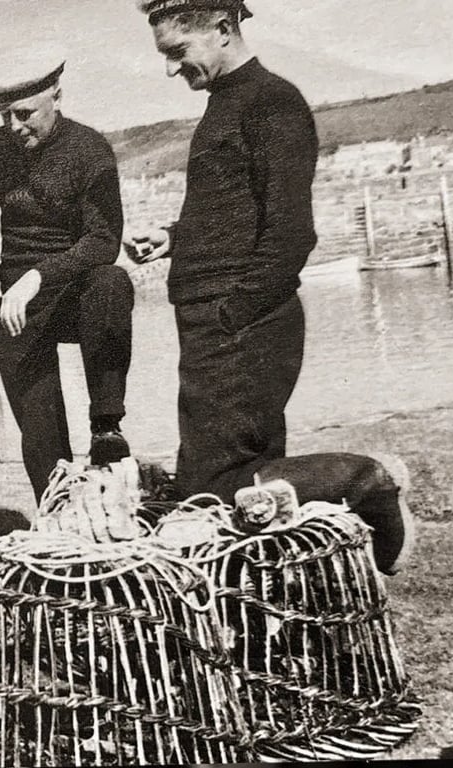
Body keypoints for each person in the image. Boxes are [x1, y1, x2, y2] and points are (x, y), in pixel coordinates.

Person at [127, 0, 319, 503]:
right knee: (212, 485)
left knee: (222, 487)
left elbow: (292, 233)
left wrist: (233, 316)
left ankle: (367, 481)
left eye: (177, 51)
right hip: (213, 326)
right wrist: (174, 237)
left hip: (239, 329)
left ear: (222, 28)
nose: (170, 68)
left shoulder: (273, 102)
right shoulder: (225, 102)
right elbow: (231, 214)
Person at [0, 44, 134, 501]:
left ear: (56, 94)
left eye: (24, 113)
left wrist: (38, 275)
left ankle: (106, 424)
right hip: (17, 298)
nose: (14, 127)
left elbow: (103, 242)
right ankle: (57, 508)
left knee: (113, 284)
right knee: (41, 436)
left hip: (75, 286)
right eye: (4, 116)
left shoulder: (89, 149)